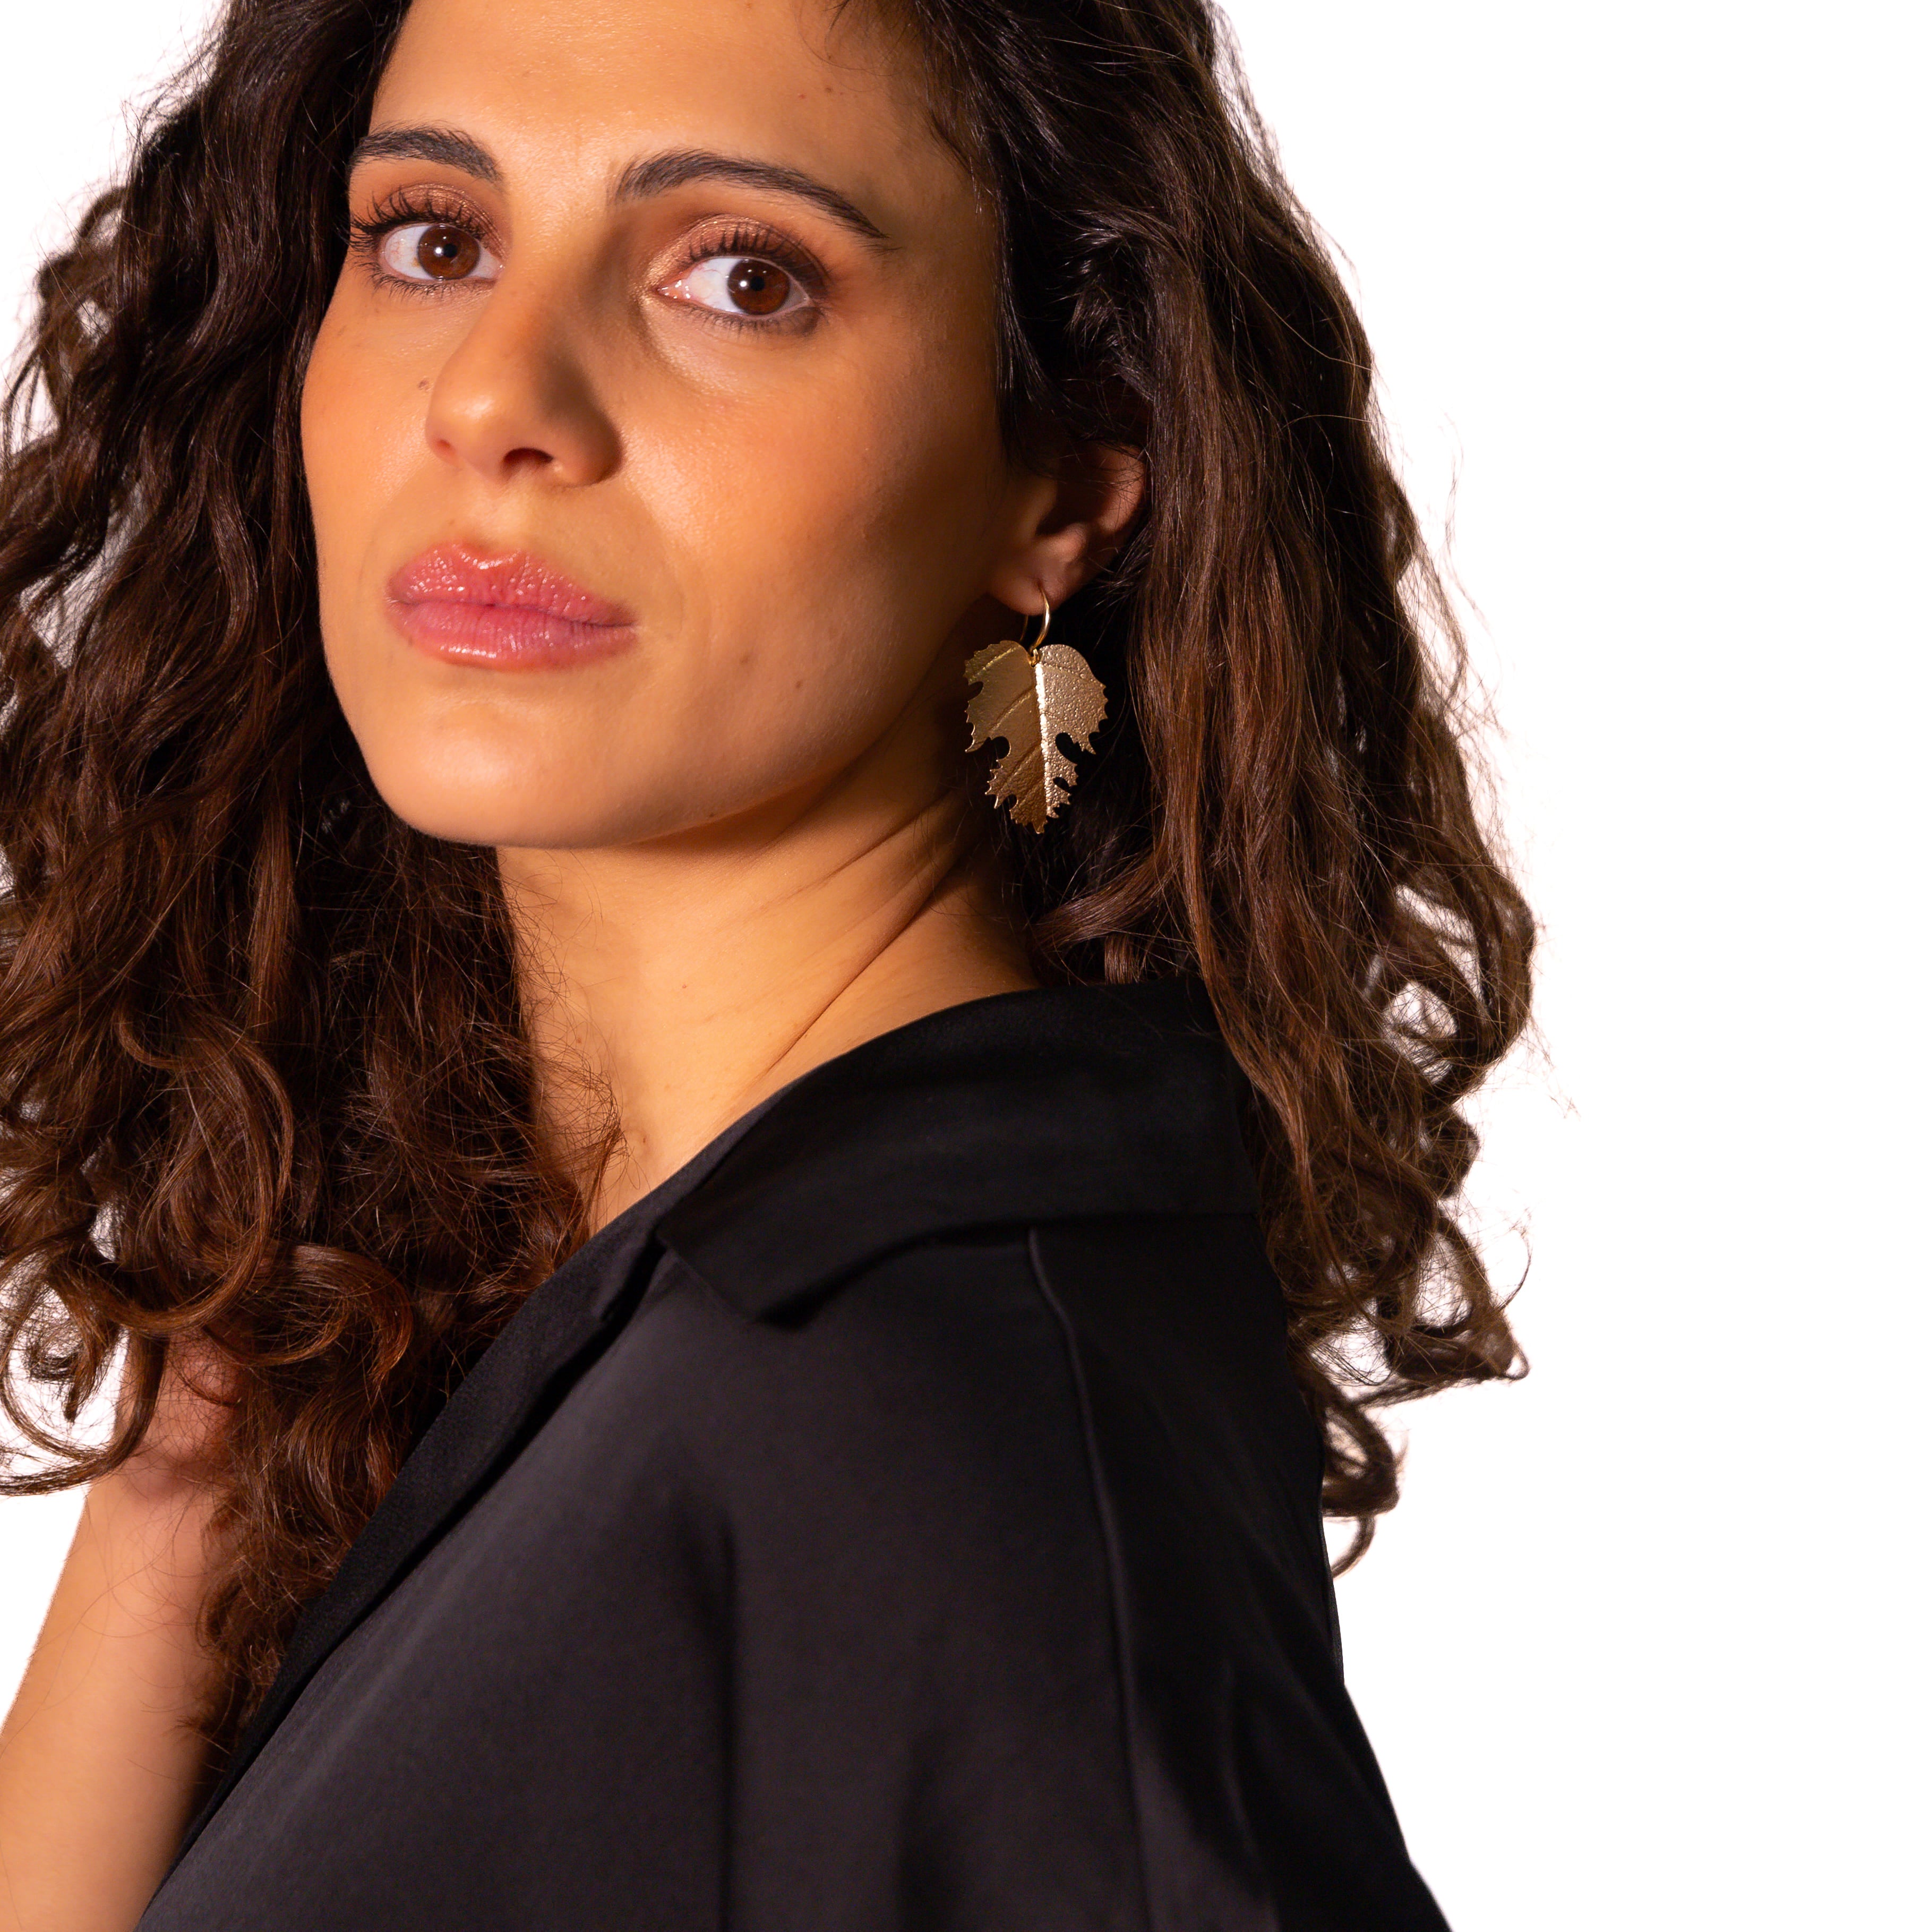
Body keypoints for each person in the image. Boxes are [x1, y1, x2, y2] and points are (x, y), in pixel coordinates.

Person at [0, 0, 1534, 1924]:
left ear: (1060, 481)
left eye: (743, 276)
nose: (493, 395)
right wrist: (187, 1486)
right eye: (434, 239)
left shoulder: (934, 1436)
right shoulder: (581, 1299)